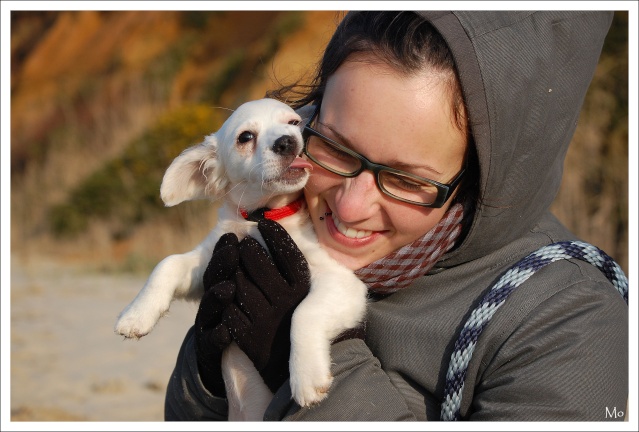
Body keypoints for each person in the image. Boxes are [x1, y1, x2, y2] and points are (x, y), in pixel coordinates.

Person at [164, 11, 628, 421]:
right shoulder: (278, 223)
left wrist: (321, 361)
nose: (349, 207)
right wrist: (207, 376)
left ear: (477, 180)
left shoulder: (568, 323)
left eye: (407, 180)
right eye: (338, 149)